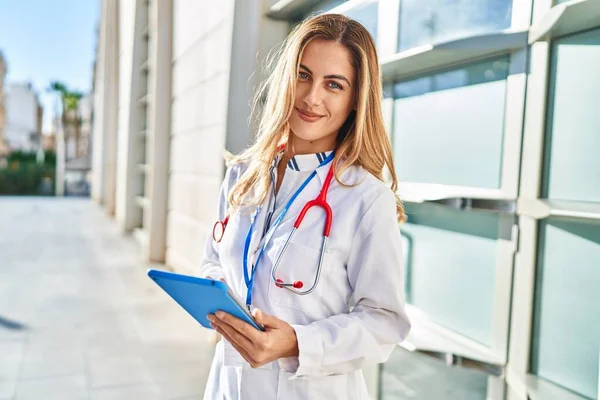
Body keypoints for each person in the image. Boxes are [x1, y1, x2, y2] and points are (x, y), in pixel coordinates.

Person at [200, 13, 411, 400]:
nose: (312, 97)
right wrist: (216, 303)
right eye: (303, 74)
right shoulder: (244, 174)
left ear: (354, 100)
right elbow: (214, 260)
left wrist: (298, 342)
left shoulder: (365, 200)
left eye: (334, 84)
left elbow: (384, 323)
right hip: (229, 385)